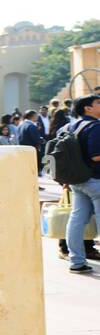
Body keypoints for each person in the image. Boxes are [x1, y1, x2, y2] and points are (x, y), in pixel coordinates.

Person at [63, 95, 100, 275]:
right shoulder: (95, 126)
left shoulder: (70, 126)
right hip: (95, 181)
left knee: (76, 221)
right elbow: (96, 156)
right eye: (98, 103)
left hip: (77, 181)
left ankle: (76, 261)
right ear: (88, 108)